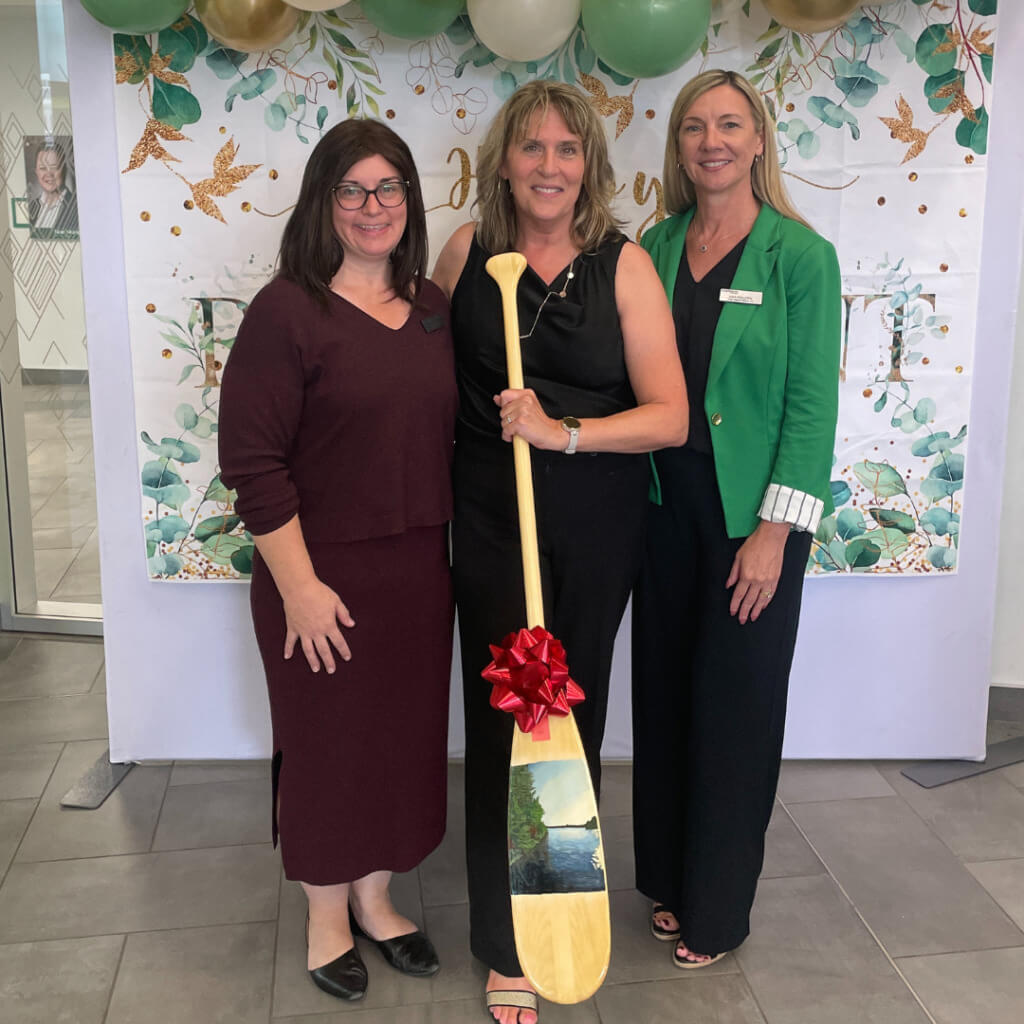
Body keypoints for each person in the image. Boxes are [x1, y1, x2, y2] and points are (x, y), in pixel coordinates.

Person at [432, 80, 688, 1024]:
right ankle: (506, 946)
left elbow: (669, 415)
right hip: (492, 524)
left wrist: (562, 431)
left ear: (591, 164)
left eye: (567, 150)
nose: (549, 166)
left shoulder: (622, 266)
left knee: (562, 727)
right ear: (504, 159)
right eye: (532, 148)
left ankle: (556, 917)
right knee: (503, 717)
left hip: (588, 526)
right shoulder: (468, 252)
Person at [217, 119, 457, 1001]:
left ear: (409, 201)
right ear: (323, 203)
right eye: (350, 190)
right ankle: (326, 914)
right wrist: (302, 590)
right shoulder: (287, 311)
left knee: (398, 742)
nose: (371, 207)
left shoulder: (432, 307)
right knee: (328, 748)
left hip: (418, 577)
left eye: (388, 188)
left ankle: (376, 898)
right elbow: (250, 462)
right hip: (316, 580)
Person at [631, 69, 841, 969]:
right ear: (678, 147)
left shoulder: (800, 255)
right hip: (659, 516)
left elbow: (809, 408)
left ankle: (718, 911)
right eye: (693, 127)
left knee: (736, 713)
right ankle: (671, 884)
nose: (711, 141)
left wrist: (774, 534)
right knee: (666, 702)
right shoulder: (656, 242)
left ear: (759, 140)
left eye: (729, 124)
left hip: (751, 527)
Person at [27, 141, 78, 236]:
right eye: (42, 168)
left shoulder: (76, 208)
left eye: (54, 167)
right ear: (36, 172)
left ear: (64, 169)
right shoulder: (30, 207)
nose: (49, 174)